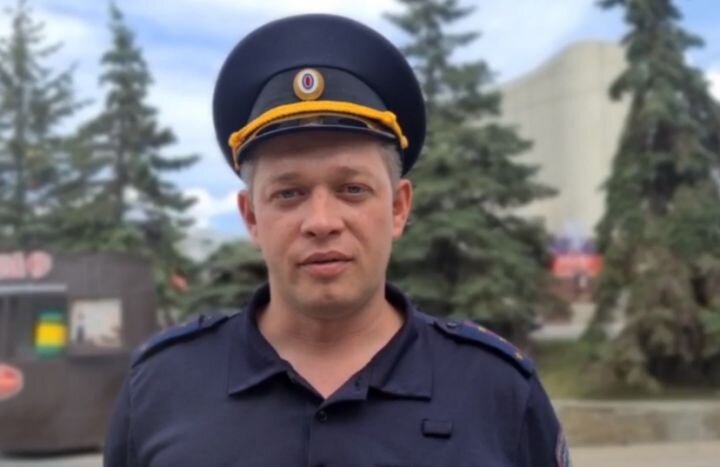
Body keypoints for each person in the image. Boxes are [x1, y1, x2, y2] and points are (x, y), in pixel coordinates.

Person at [104, 13, 570, 467]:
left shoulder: (499, 392)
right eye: (289, 193)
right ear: (251, 217)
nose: (322, 222)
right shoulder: (160, 388)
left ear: (398, 207)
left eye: (352, 189)